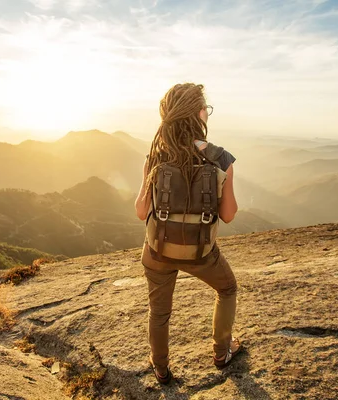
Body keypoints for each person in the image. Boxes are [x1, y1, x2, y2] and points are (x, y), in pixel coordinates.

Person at [134, 83, 241, 384]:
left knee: (159, 312)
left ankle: (160, 368)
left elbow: (142, 212)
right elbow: (229, 216)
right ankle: (222, 352)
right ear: (198, 114)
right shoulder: (221, 159)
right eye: (206, 108)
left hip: (157, 252)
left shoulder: (155, 157)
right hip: (201, 254)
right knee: (228, 288)